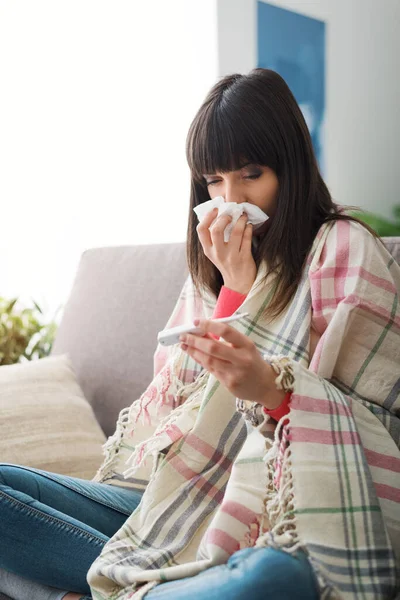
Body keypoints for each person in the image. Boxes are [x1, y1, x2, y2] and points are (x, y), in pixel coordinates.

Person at [0, 68, 399, 600]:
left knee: (273, 579)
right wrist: (234, 289)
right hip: (170, 500)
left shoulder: (342, 247)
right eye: (213, 182)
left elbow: (378, 419)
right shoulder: (208, 270)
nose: (230, 200)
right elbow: (182, 410)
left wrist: (275, 389)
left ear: (291, 166)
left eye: (250, 174)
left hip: (269, 512)